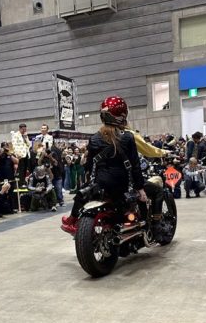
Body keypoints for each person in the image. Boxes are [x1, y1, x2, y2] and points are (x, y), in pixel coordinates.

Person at [61, 96, 151, 235]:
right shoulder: (128, 137)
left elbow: (89, 165)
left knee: (82, 193)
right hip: (122, 185)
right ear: (122, 115)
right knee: (149, 195)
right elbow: (135, 165)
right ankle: (146, 227)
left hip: (101, 184)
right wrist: (140, 189)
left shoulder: (94, 138)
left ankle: (72, 219)